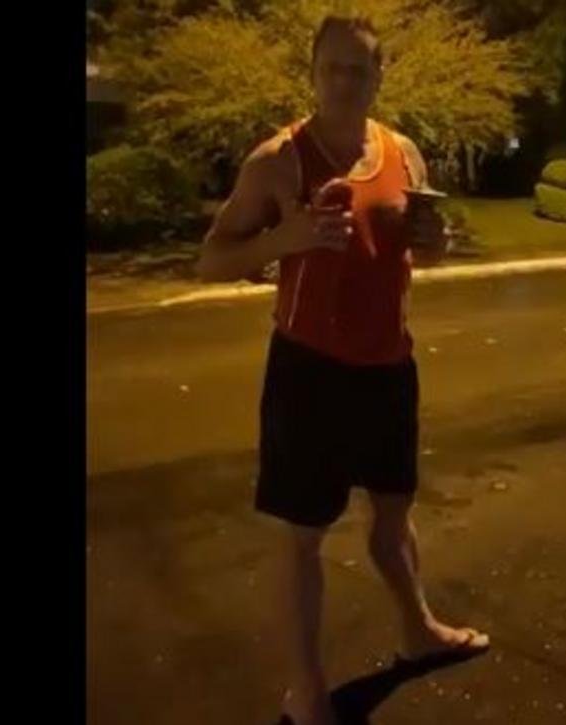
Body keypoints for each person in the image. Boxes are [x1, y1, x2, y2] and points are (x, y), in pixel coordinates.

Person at [196, 15, 489, 725]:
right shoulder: (278, 161)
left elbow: (424, 253)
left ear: (379, 77)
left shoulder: (404, 154)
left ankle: (418, 631)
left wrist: (437, 241)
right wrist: (284, 238)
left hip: (389, 367)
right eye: (332, 67)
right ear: (313, 73)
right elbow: (211, 259)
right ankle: (306, 691)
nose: (344, 82)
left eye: (359, 69)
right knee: (303, 538)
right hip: (309, 373)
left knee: (392, 517)